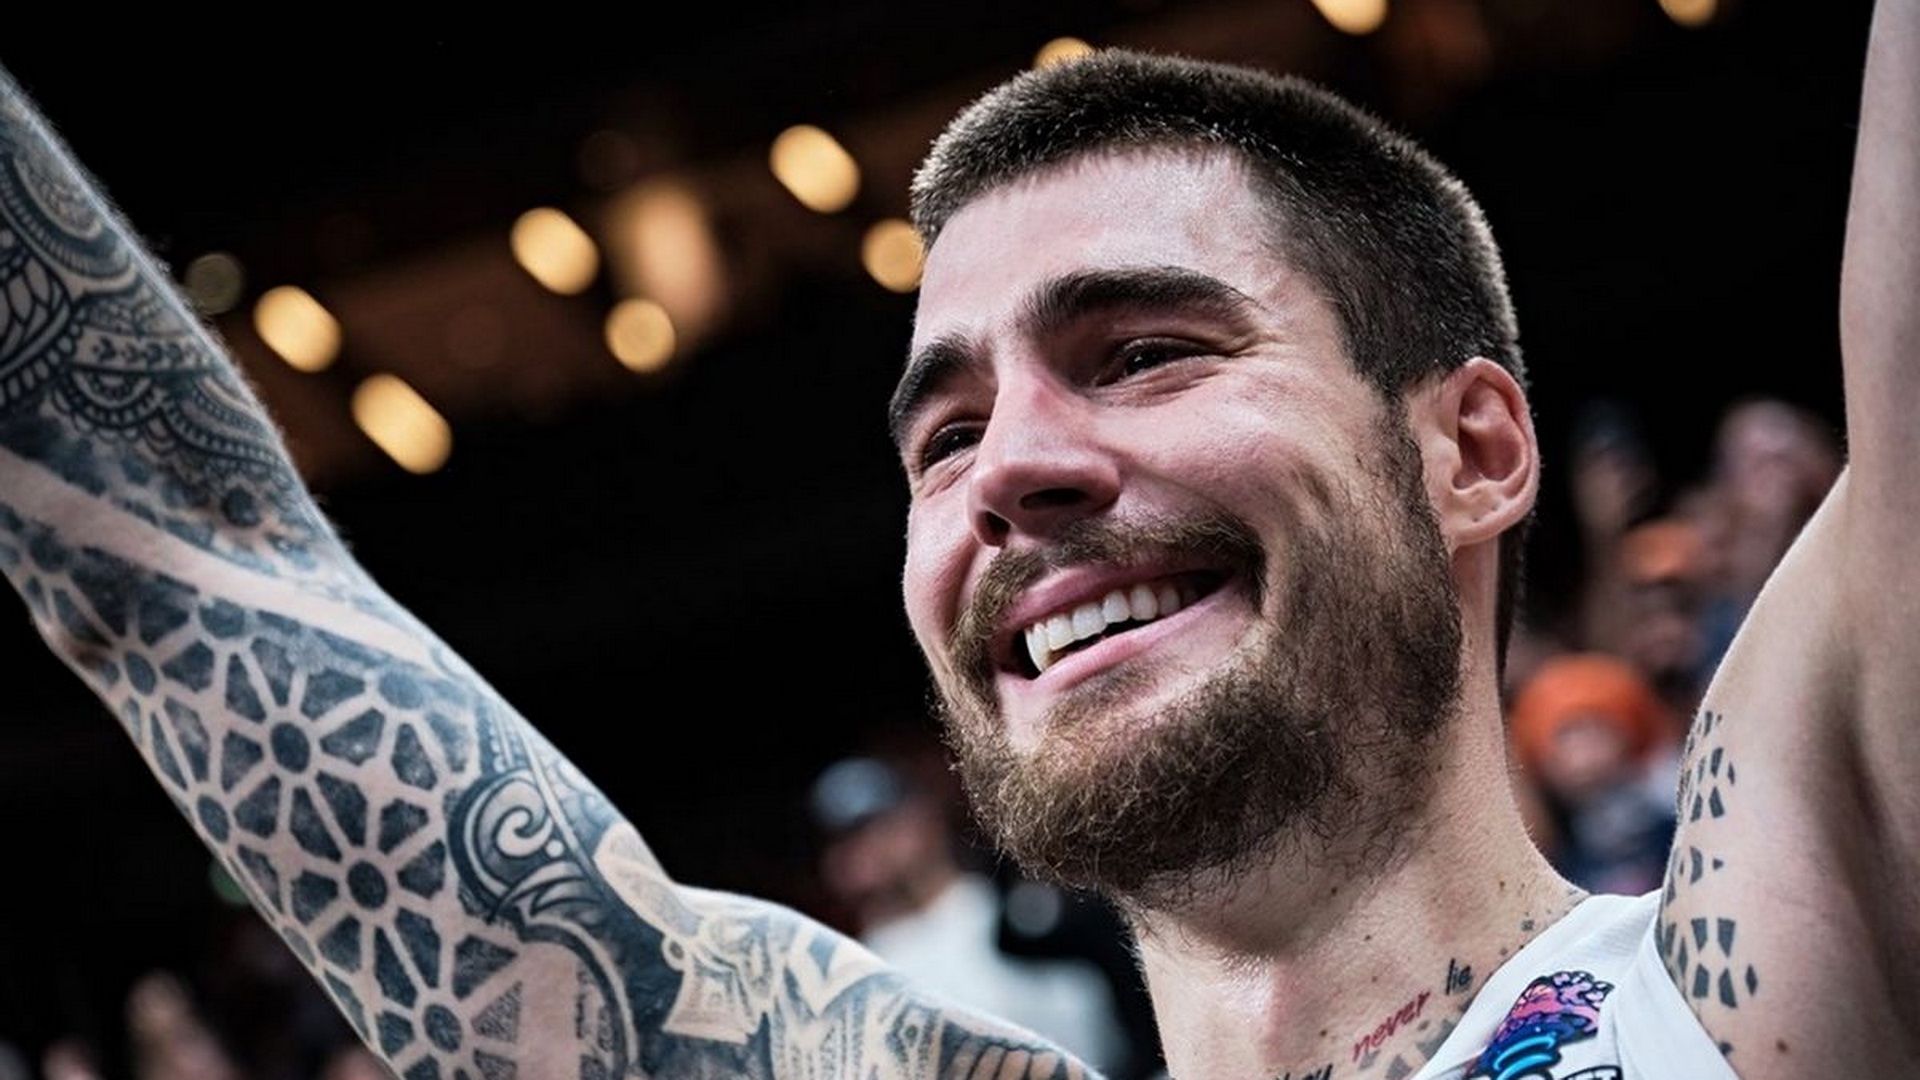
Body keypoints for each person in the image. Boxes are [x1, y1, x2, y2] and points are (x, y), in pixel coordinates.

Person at [0, 1, 1912, 1075]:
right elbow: (173, 559)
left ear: (1469, 448)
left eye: (1143, 351)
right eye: (945, 435)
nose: (1014, 469)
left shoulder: (1770, 946)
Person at [808, 757, 1131, 1074]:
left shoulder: (1019, 907)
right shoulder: (855, 972)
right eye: (847, 839)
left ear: (924, 819)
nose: (870, 848)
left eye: (881, 827)